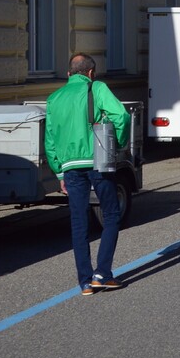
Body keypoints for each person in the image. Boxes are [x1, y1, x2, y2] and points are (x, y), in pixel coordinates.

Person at [44, 53, 130, 295]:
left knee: (78, 221)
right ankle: (102, 274)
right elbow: (121, 116)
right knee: (111, 214)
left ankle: (84, 281)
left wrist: (59, 172)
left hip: (70, 167)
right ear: (91, 73)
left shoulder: (54, 98)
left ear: (69, 74)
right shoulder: (97, 87)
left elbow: (49, 139)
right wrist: (118, 144)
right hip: (97, 161)